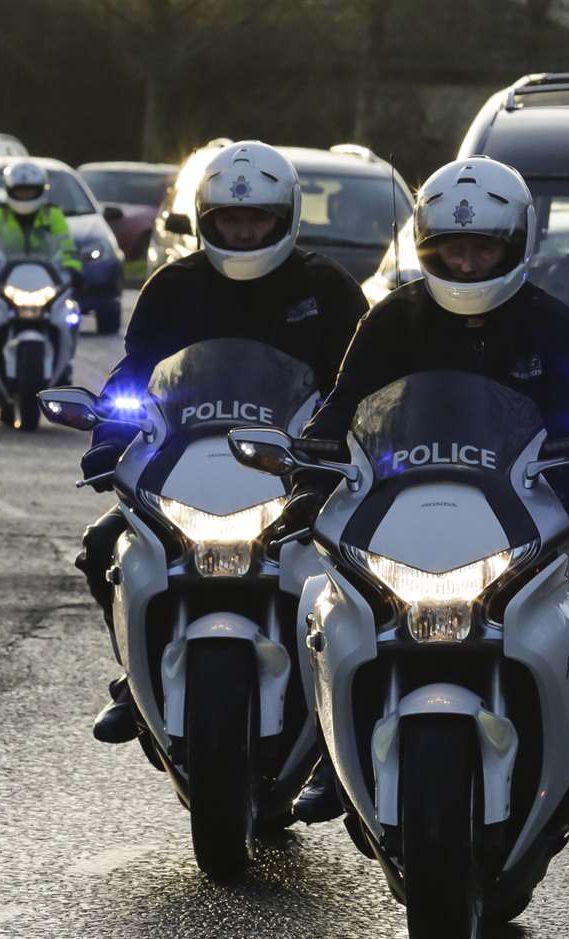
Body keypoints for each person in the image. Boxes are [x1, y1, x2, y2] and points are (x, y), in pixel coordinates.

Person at [291, 156, 569, 845]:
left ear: (514, 245)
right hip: (403, 514)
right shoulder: (391, 322)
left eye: (484, 246)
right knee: (329, 608)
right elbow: (341, 411)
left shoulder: (557, 328)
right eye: (455, 245)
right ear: (429, 245)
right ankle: (332, 760)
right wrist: (310, 472)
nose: (469, 260)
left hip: (525, 516)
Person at [76, 140, 368, 745]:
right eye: (229, 219)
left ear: (284, 217)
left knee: (358, 573)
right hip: (185, 464)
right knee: (104, 543)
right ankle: (135, 682)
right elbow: (136, 370)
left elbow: (364, 386)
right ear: (207, 219)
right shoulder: (173, 287)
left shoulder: (329, 289)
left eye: (255, 217)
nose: (242, 231)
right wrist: (108, 430)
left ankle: (343, 713)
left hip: (295, 475)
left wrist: (357, 448)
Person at [0, 161, 85, 397]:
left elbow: (66, 245)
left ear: (41, 190)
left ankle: (66, 362)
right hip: (3, 279)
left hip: (45, 280)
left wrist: (74, 269)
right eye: (20, 191)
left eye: (30, 191)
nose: (25, 196)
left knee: (72, 315)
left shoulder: (53, 214)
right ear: (9, 190)